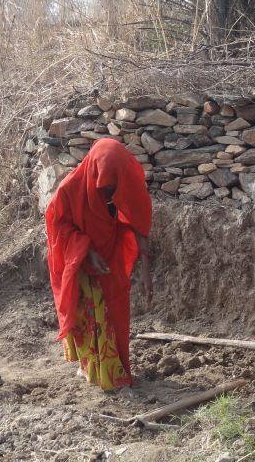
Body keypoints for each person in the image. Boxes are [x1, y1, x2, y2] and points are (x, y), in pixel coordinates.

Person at [46, 138, 153, 396]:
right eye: (104, 187)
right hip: (82, 261)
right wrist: (87, 251)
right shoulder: (70, 188)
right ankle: (104, 374)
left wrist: (146, 267)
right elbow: (57, 225)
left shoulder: (125, 178)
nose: (108, 192)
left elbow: (138, 218)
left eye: (112, 187)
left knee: (114, 313)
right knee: (91, 316)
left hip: (111, 256)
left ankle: (108, 370)